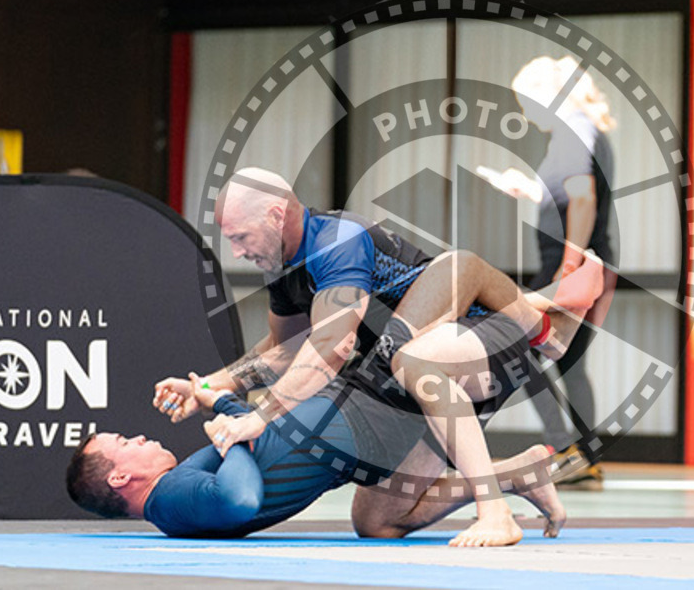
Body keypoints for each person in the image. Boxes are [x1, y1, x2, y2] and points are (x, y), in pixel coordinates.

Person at [153, 167, 603, 544]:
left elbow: (332, 346)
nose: (236, 252)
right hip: (418, 378)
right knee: (377, 521)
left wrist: (260, 415)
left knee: (413, 352)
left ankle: (495, 510)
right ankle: (518, 473)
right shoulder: (284, 271)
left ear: (275, 216)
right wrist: (207, 385)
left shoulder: (337, 240)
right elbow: (282, 350)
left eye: (240, 237)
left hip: (482, 340)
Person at [67, 267, 599, 542]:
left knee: (377, 521)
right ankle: (547, 314)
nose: (139, 436)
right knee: (429, 302)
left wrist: (221, 403)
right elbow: (241, 499)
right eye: (124, 442)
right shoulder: (170, 502)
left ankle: (547, 308)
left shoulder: (174, 495)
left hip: (354, 427)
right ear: (120, 478)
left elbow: (243, 453)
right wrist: (228, 414)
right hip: (360, 417)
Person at [482, 56, 619, 489]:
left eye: (526, 102)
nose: (525, 113)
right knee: (569, 362)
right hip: (579, 264)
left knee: (517, 350)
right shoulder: (581, 131)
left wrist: (569, 264)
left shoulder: (573, 130)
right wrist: (532, 189)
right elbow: (568, 194)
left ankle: (566, 450)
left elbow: (583, 198)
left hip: (569, 267)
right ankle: (582, 458)